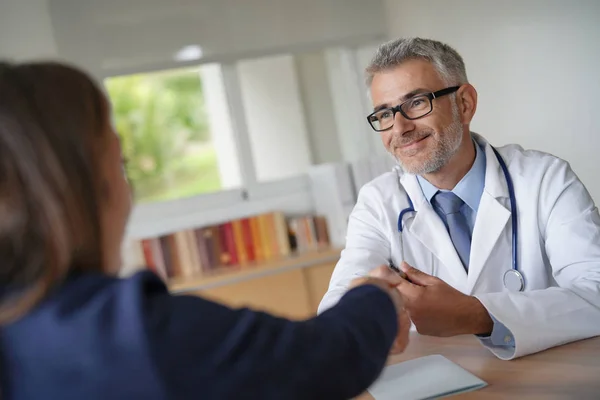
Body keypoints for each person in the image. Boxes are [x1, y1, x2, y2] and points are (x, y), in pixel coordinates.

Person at [0, 61, 411, 400]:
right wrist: (377, 298)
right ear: (85, 186)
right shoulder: (134, 333)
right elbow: (322, 359)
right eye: (120, 162)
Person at [319, 37, 600, 360]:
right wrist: (359, 307)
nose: (399, 128)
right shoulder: (377, 202)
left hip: (547, 380)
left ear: (464, 104)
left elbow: (595, 291)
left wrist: (476, 314)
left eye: (416, 103)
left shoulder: (544, 178)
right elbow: (337, 304)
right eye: (384, 114)